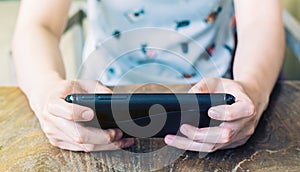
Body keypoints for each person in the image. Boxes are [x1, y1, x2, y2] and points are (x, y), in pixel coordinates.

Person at [12, 0, 285, 152]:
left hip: (215, 98)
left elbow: (260, 20)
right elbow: (38, 25)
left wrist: (253, 90)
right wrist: (44, 89)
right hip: (101, 95)